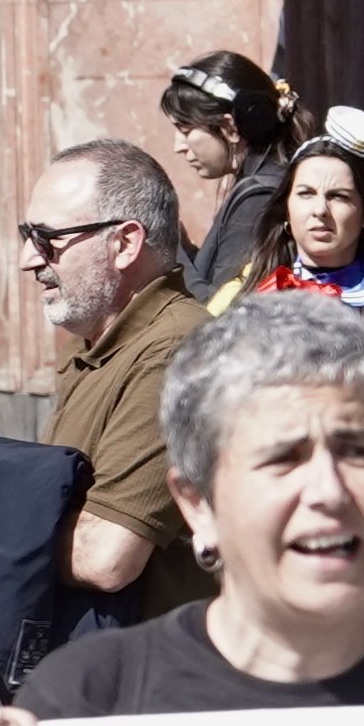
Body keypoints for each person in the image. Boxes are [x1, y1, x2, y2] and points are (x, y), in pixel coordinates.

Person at [15, 291, 364, 716]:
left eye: (358, 451)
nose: (329, 491)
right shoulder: (89, 700)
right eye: (284, 458)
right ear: (198, 505)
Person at [30, 140, 217, 623]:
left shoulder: (177, 349)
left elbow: (106, 557)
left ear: (125, 243)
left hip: (161, 676)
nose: (28, 261)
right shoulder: (96, 342)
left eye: (47, 239)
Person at [163, 48, 303, 298]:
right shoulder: (262, 182)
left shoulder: (260, 196)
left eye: (186, 130)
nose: (178, 147)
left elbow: (215, 312)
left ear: (229, 127)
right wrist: (181, 245)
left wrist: (164, 240)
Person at [276, 131, 364, 321]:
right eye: (306, 193)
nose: (320, 210)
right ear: (286, 208)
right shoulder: (247, 289)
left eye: (339, 196)